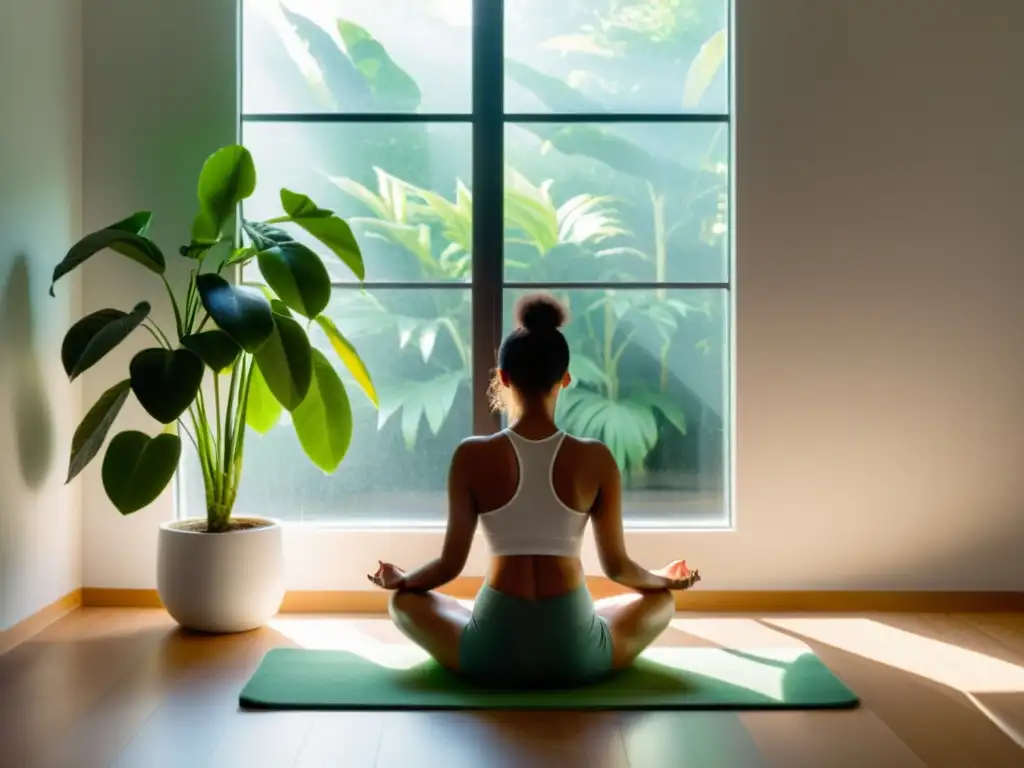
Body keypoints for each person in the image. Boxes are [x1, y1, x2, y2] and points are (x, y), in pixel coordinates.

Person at [367, 293, 701, 688]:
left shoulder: (471, 455)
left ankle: (471, 616)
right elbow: (616, 568)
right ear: (565, 378)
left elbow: (449, 566)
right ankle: (587, 621)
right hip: (575, 654)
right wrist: (663, 579)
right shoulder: (595, 458)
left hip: (491, 652)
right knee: (660, 601)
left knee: (403, 603)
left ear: (503, 377)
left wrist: (402, 581)